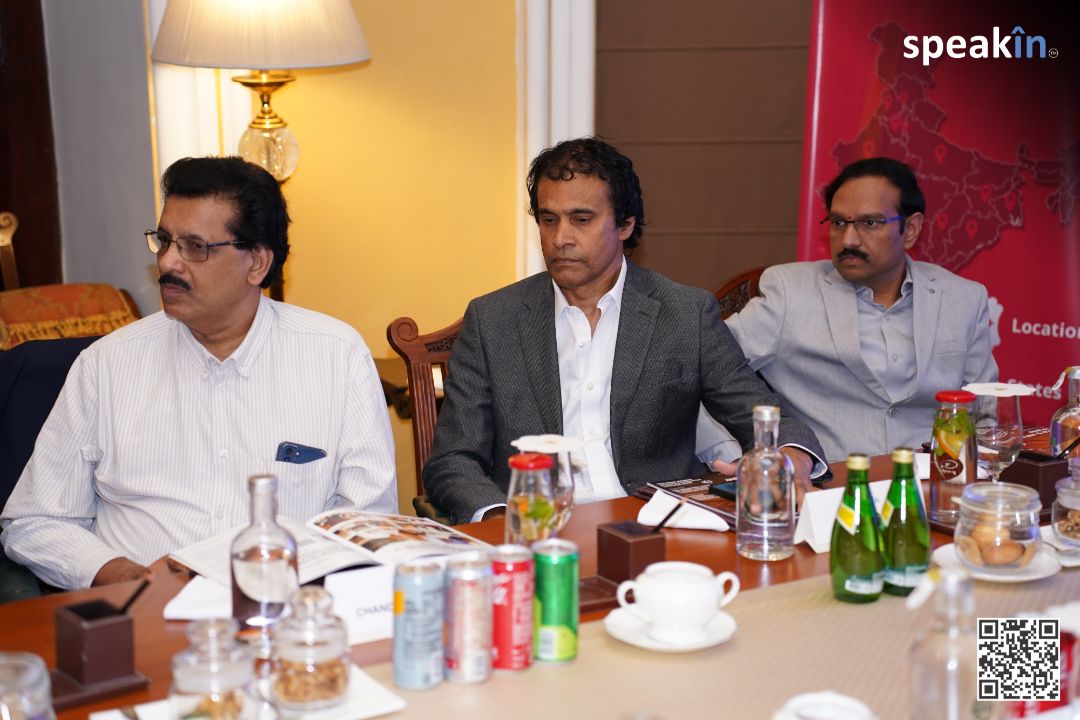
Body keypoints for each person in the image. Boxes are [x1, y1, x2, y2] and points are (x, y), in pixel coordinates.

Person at [0, 157, 397, 590]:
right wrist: (124, 575)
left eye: (195, 246)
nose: (168, 263)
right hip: (145, 612)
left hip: (288, 606)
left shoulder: (337, 356)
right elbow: (34, 520)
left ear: (257, 263)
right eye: (164, 241)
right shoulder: (106, 365)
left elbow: (369, 522)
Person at [423, 138, 825, 524]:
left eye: (581, 219)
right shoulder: (494, 320)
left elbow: (764, 416)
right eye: (548, 220)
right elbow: (453, 460)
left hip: (654, 524)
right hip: (540, 528)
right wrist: (501, 521)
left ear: (625, 225)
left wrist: (789, 455)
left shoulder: (684, 314)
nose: (560, 238)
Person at [722, 157, 998, 462]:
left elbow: (983, 415)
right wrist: (727, 453)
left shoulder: (963, 298)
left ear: (911, 229)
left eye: (869, 223)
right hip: (830, 480)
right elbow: (705, 372)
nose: (849, 240)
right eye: (839, 223)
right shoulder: (789, 292)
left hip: (934, 478)